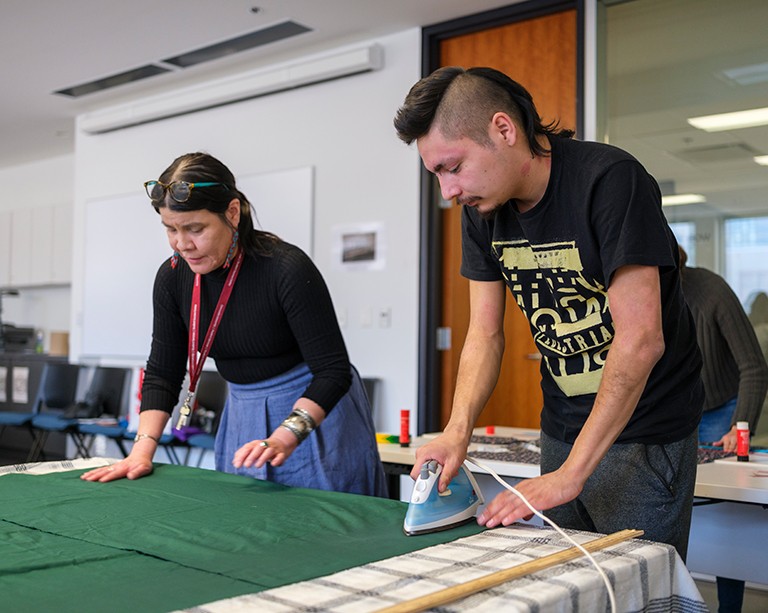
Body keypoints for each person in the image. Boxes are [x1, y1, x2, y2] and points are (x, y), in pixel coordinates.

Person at [393, 67, 703, 560]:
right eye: (436, 175)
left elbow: (641, 339)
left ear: (503, 129)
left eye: (452, 167)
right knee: (570, 585)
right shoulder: (482, 211)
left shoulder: (609, 181)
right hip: (561, 428)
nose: (447, 192)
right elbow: (484, 334)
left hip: (643, 435)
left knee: (635, 589)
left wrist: (571, 476)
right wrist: (457, 431)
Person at [82, 152, 387, 497]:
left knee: (329, 528)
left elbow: (333, 372)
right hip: (242, 410)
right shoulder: (172, 278)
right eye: (170, 229)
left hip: (314, 413)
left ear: (232, 213)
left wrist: (289, 433)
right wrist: (142, 450)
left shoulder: (285, 269)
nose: (183, 244)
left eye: (195, 229)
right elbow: (163, 371)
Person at [679, 247, 767, 613]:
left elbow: (754, 367)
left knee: (727, 513)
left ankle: (728, 607)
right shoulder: (640, 293)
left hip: (721, 408)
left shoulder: (713, 292)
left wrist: (739, 425)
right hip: (677, 411)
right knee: (676, 507)